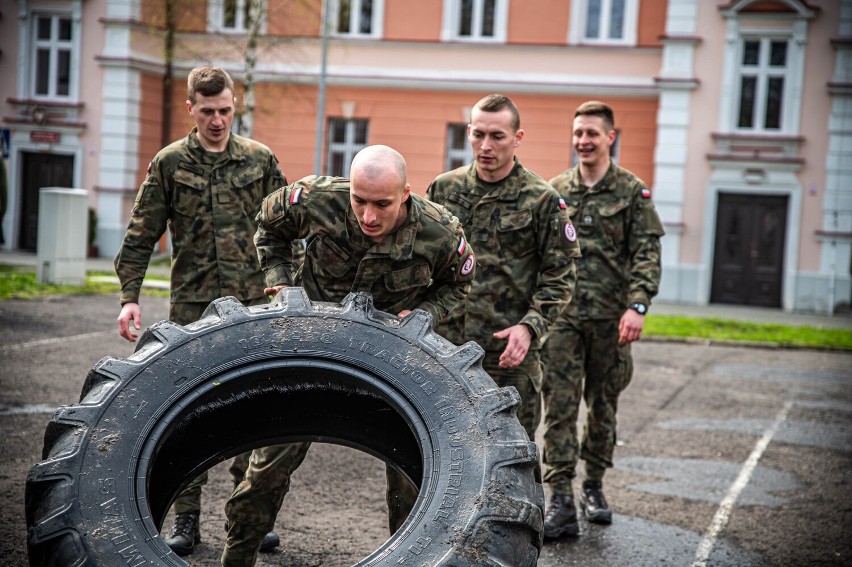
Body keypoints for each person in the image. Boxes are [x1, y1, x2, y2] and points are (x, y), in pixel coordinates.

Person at [221, 144, 477, 566]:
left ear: (406, 195)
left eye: (382, 204)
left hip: (390, 363)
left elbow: (461, 282)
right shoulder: (316, 199)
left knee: (412, 477)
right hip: (313, 349)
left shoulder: (439, 232)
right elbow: (267, 228)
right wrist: (281, 283)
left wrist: (426, 313)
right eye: (360, 201)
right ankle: (237, 557)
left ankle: (410, 560)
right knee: (267, 467)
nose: (369, 216)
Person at [113, 66, 287, 556]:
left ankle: (248, 516)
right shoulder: (169, 163)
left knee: (253, 405)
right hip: (193, 307)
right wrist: (130, 297)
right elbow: (141, 233)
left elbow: (288, 229)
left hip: (254, 303)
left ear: (237, 105)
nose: (217, 120)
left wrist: (286, 288)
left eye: (226, 110)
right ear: (191, 108)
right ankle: (186, 520)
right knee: (189, 410)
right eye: (208, 111)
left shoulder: (260, 160)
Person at [539, 100, 664, 539]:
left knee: (603, 408)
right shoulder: (554, 191)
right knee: (558, 407)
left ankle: (593, 486)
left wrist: (638, 305)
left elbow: (647, 254)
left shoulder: (632, 192)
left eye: (592, 133)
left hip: (613, 320)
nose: (584, 141)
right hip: (564, 321)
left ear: (611, 137)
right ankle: (559, 497)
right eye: (578, 134)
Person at [425, 93, 581, 443]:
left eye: (497, 136)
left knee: (512, 455)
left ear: (517, 138)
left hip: (508, 354)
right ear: (468, 132)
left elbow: (561, 274)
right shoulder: (443, 189)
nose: (485, 145)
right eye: (478, 134)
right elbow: (423, 262)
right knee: (440, 449)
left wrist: (530, 327)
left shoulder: (541, 199)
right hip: (446, 348)